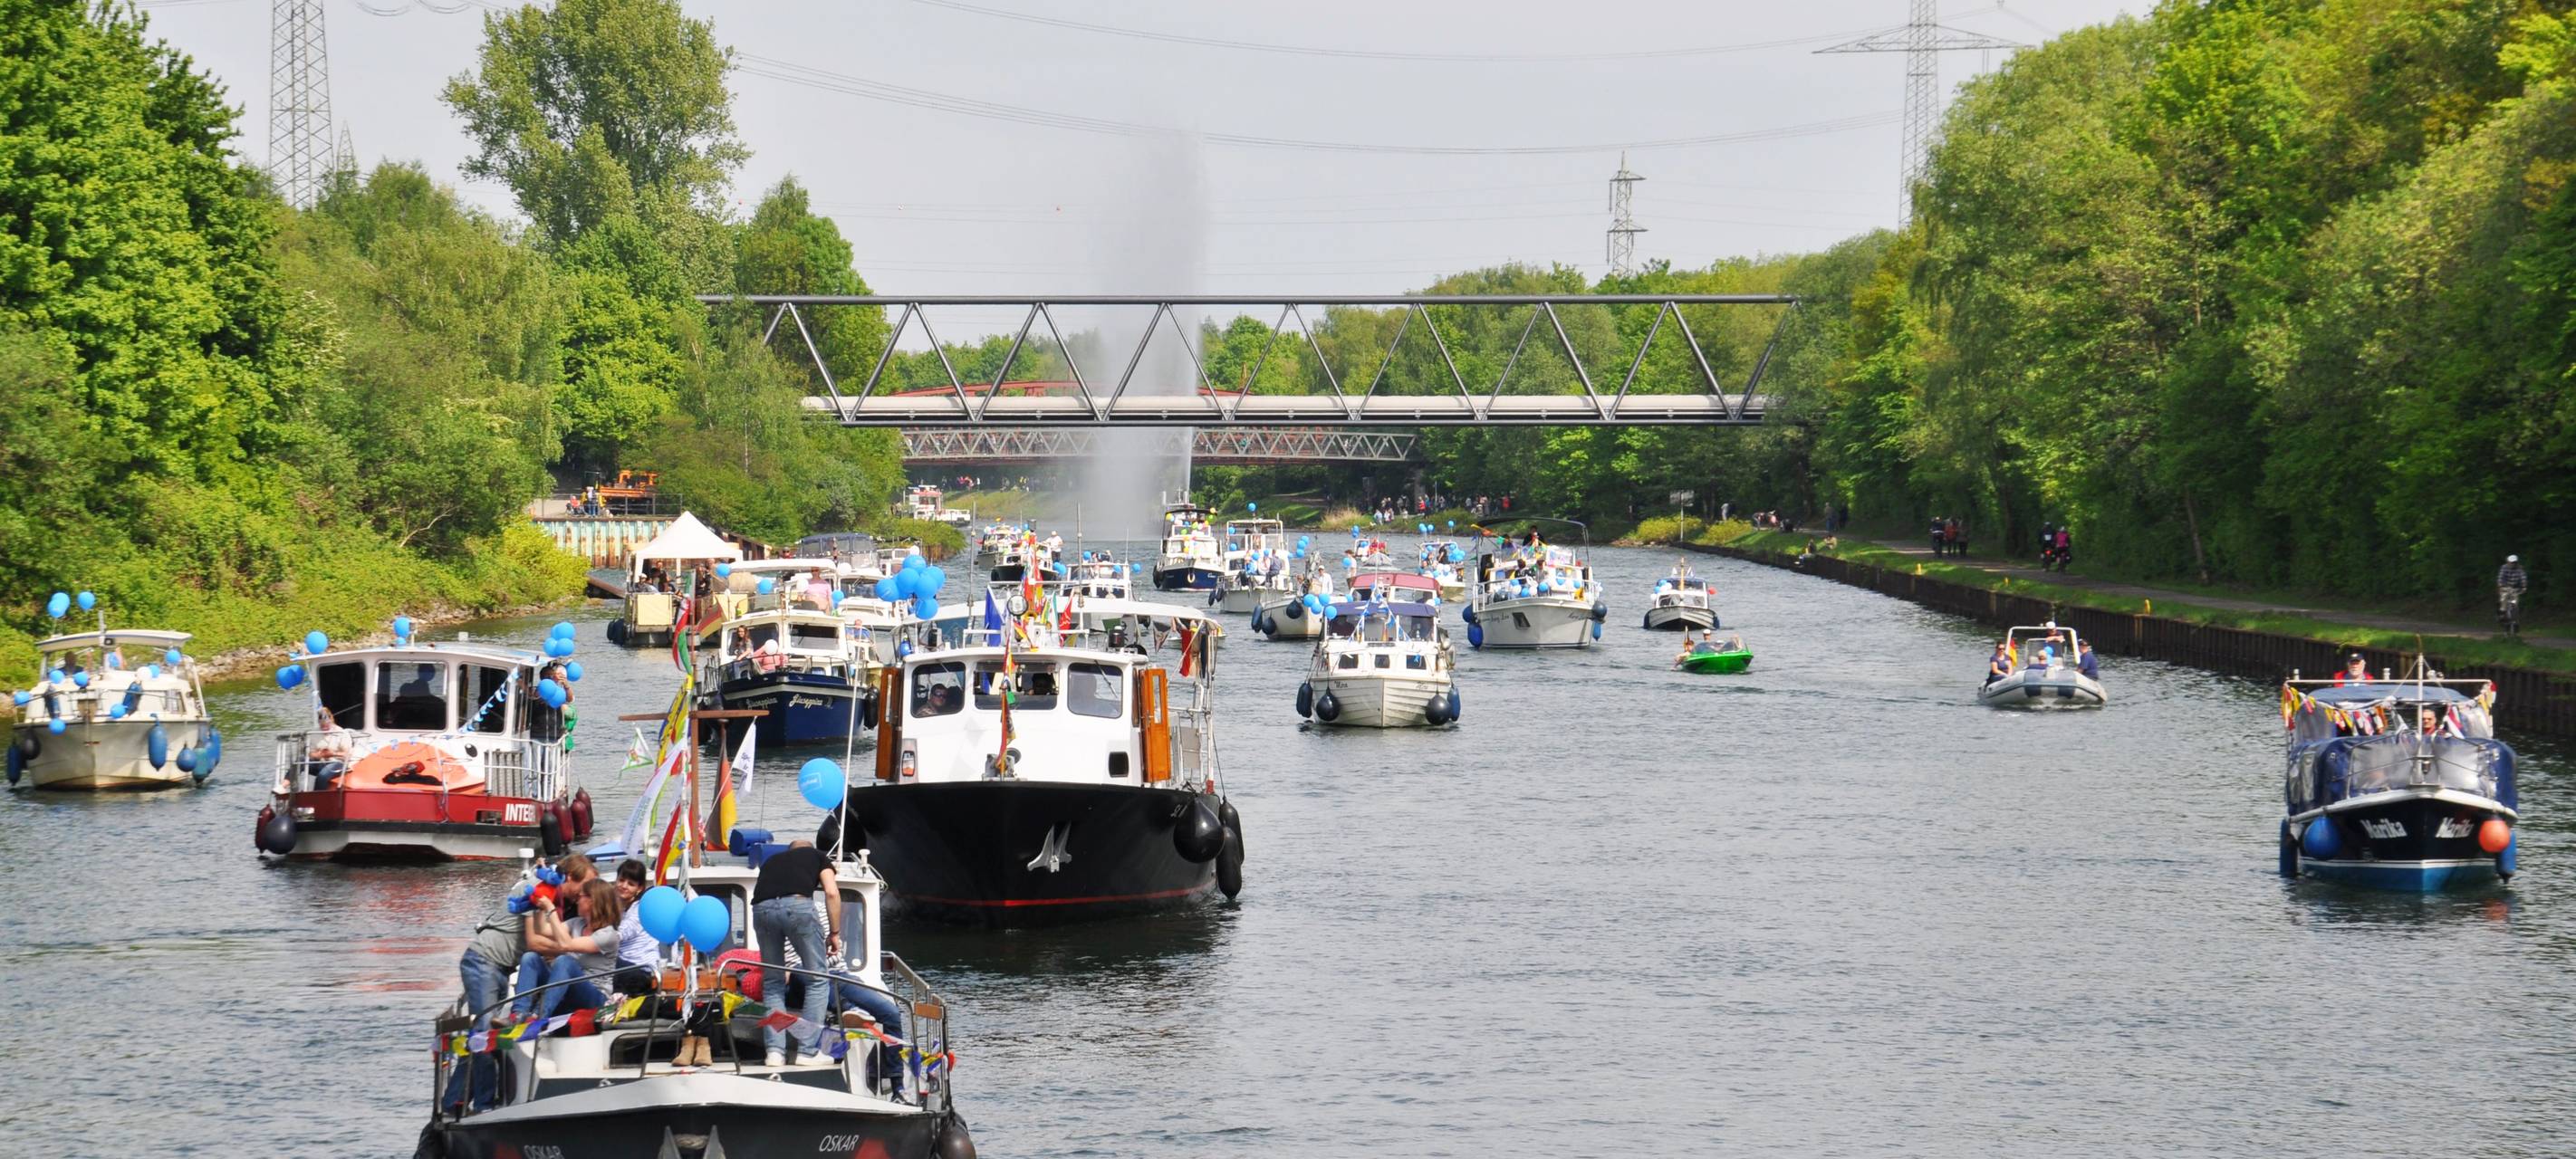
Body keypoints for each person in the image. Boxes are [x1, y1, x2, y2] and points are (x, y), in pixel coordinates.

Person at [751, 839, 841, 1066]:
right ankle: (807, 1052)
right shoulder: (818, 856)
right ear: (810, 849)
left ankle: (774, 1052)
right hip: (798, 907)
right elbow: (831, 892)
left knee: (772, 983)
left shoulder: (771, 861)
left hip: (761, 910)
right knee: (818, 980)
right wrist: (835, 933)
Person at [510, 877, 622, 1022]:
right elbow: (542, 929)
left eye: (580, 897)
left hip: (595, 998)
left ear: (592, 900)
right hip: (568, 991)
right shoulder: (576, 923)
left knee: (565, 961)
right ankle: (518, 1013)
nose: (576, 901)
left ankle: (538, 1016)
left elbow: (565, 944)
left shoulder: (609, 936)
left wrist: (551, 910)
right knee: (530, 958)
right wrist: (537, 907)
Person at [610, 858, 658, 994]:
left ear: (639, 888)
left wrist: (590, 942)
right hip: (623, 968)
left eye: (631, 884)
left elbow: (622, 933)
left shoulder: (640, 909)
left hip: (643, 971)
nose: (624, 886)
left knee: (601, 958)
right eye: (621, 880)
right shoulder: (617, 907)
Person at [307, 707, 353, 788]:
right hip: (320, 762)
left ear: (331, 720)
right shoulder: (314, 733)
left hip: (338, 762)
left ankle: (317, 799)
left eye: (326, 725)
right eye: (322, 725)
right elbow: (310, 754)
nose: (324, 727)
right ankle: (284, 786)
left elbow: (348, 755)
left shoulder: (341, 733)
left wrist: (333, 754)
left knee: (322, 775)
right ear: (319, 722)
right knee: (299, 761)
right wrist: (319, 755)